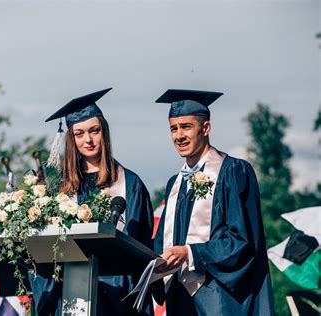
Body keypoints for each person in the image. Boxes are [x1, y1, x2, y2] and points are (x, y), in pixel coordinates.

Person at [29, 88, 154, 315]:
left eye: (94, 131)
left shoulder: (130, 184)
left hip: (116, 294)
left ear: (103, 132)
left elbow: (140, 245)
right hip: (67, 293)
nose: (88, 140)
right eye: (79, 134)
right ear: (71, 139)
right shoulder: (60, 188)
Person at [152, 89, 274, 315]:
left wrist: (190, 253)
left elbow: (243, 241)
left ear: (206, 128)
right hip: (180, 299)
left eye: (186, 126)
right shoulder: (174, 184)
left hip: (220, 298)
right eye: (173, 128)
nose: (179, 135)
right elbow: (161, 243)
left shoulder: (234, 172)